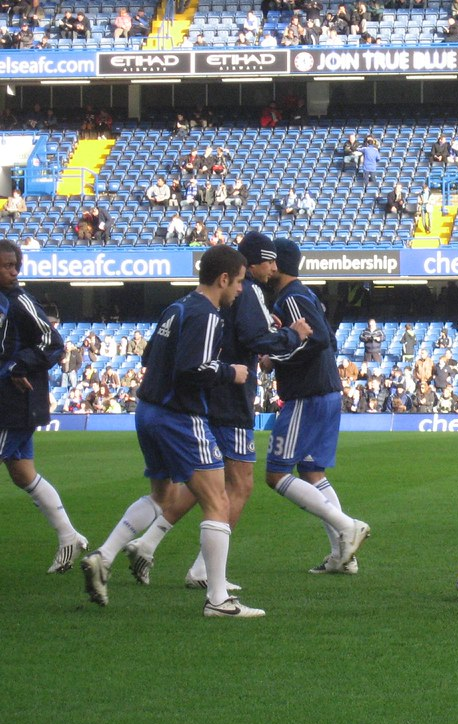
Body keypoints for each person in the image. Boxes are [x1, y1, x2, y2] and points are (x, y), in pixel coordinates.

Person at [119, 233, 313, 590]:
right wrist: (292, 336)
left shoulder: (189, 304)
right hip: (229, 398)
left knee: (204, 483)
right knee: (238, 485)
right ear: (244, 268)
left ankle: (142, 544)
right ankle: (205, 574)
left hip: (205, 398)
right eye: (268, 260)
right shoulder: (246, 292)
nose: (274, 268)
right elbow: (255, 339)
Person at [81, 246, 266, 617]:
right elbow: (190, 370)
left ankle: (104, 556)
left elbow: (149, 357)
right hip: (180, 416)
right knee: (218, 500)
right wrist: (230, 372)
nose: (240, 290)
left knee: (162, 495)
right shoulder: (209, 315)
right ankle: (218, 599)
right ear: (223, 279)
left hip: (148, 411)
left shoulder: (176, 307)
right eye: (239, 282)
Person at [262, 239, 371, 573]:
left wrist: (275, 357)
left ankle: (347, 526)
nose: (266, 268)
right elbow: (328, 338)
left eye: (270, 262)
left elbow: (320, 338)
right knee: (312, 473)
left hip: (307, 394)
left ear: (278, 265)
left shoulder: (291, 298)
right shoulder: (304, 295)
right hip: (324, 391)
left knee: (276, 474)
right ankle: (342, 557)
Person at [0, 239, 89, 574]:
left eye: (15, 266)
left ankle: (68, 536)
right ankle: (68, 535)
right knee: (22, 473)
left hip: (14, 403)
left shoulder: (19, 300)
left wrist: (18, 366)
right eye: (6, 266)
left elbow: (53, 342)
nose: (13, 272)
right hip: (10, 402)